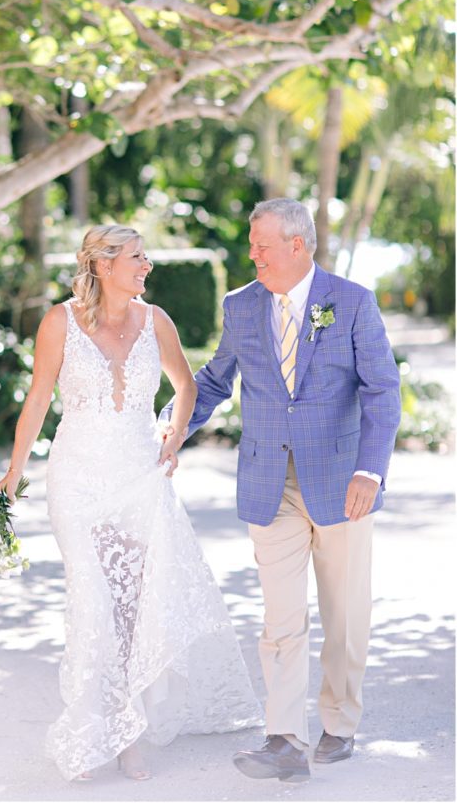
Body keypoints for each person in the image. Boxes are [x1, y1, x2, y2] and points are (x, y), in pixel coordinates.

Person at [0, 224, 262, 782]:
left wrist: (175, 435)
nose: (147, 266)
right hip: (78, 478)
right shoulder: (57, 323)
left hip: (140, 474)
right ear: (103, 264)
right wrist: (15, 471)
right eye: (138, 257)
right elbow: (39, 397)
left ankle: (131, 729)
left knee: (134, 605)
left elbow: (186, 386)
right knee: (94, 600)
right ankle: (97, 726)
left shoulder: (155, 320)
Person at [162, 198, 401, 783]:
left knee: (345, 614)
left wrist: (370, 470)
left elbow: (382, 391)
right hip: (270, 482)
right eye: (252, 244)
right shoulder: (241, 305)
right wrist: (168, 432)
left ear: (297, 245)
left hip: (344, 483)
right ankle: (285, 738)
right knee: (281, 618)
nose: (252, 254)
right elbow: (215, 380)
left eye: (261, 245)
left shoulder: (351, 302)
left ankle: (339, 725)